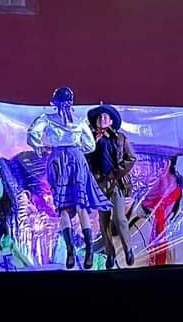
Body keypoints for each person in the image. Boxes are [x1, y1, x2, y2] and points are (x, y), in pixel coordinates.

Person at [27, 87, 111, 270]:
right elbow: (89, 145)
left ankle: (71, 251)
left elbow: (32, 135)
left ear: (54, 102)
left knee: (63, 207)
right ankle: (89, 249)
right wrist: (75, 148)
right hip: (76, 160)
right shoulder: (79, 121)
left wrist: (42, 147)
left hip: (57, 161)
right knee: (80, 205)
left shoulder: (46, 119)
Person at [85, 104, 136, 268]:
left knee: (120, 218)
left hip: (116, 182)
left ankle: (128, 249)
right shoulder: (90, 140)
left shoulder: (120, 138)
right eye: (99, 117)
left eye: (105, 117)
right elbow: (86, 161)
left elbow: (131, 158)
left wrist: (116, 173)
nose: (102, 119)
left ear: (112, 121)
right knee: (103, 220)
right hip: (99, 184)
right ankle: (110, 254)